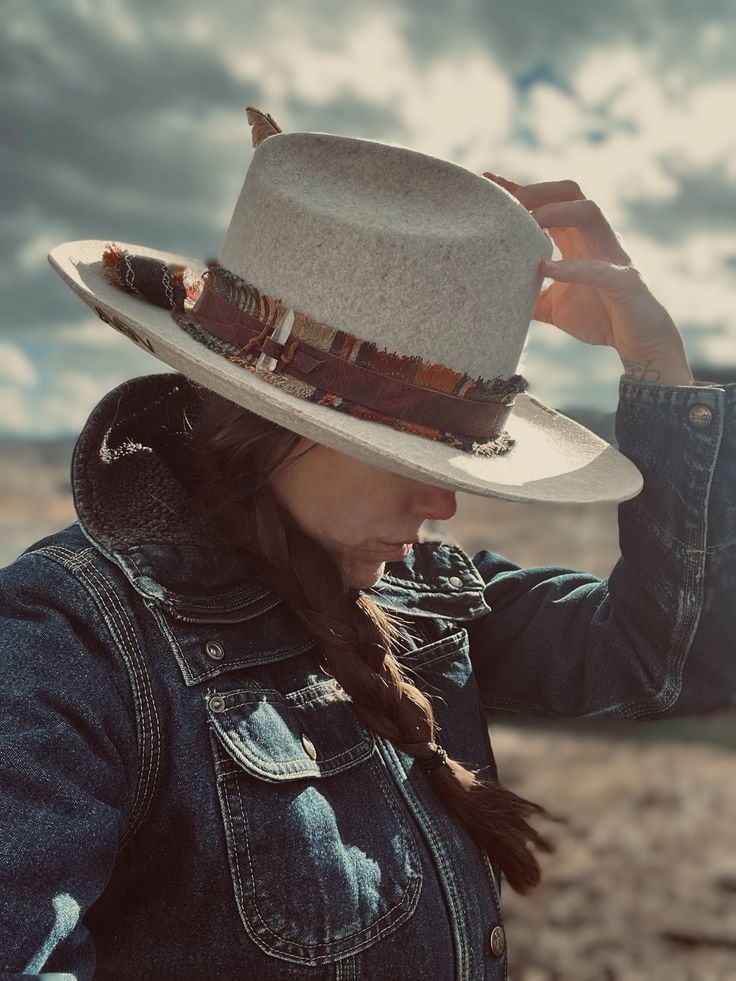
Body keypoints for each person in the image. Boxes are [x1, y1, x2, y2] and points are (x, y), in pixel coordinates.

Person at [1, 105, 733, 981]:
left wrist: (660, 372)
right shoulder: (68, 642)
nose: (444, 503)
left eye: (457, 454)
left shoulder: (422, 591)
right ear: (263, 423)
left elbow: (667, 658)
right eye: (406, 455)